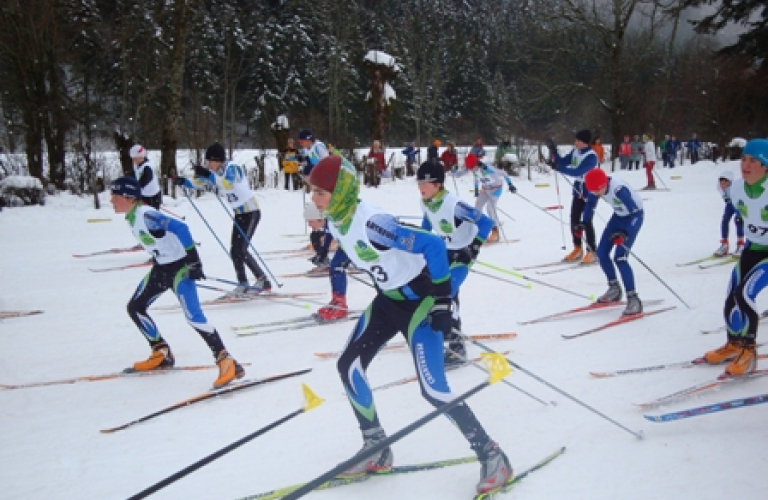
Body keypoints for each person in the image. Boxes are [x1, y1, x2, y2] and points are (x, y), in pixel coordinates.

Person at [307, 155, 512, 493]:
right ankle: (377, 449)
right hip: (389, 301)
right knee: (349, 366)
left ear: (340, 192)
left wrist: (444, 300)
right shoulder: (338, 219)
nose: (314, 200)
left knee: (433, 389)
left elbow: (431, 244)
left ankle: (493, 456)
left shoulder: (375, 224)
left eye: (320, 193)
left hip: (421, 303)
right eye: (312, 192)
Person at [108, 176, 244, 389]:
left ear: (129, 197)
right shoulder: (133, 216)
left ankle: (227, 360)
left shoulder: (146, 215)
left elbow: (181, 228)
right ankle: (161, 352)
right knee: (135, 307)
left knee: (194, 317)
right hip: (162, 269)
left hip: (180, 269)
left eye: (114, 196)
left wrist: (194, 260)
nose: (111, 201)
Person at [417, 160, 495, 368]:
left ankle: (457, 346)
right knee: (427, 287)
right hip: (444, 251)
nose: (420, 187)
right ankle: (439, 331)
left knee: (447, 292)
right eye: (418, 182)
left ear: (438, 184)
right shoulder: (426, 202)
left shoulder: (455, 205)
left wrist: (475, 247)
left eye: (425, 183)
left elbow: (487, 223)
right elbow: (427, 225)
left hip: (463, 253)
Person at [702, 139, 768, 377]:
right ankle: (734, 343)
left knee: (745, 293)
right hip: (753, 248)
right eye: (744, 159)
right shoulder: (737, 188)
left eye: (754, 161)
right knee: (732, 293)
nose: (746, 165)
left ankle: (749, 350)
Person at [176, 143, 271, 295]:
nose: (208, 164)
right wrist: (184, 181)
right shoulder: (216, 172)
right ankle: (243, 282)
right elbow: (200, 183)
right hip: (240, 214)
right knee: (234, 251)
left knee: (241, 249)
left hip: (251, 211)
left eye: (209, 161)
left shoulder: (232, 168)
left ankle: (263, 280)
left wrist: (209, 176)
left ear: (217, 160)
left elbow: (228, 183)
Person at [583, 168, 644, 316]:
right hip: (618, 217)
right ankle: (614, 289)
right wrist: (582, 223)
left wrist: (625, 233)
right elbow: (590, 205)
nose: (596, 194)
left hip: (633, 218)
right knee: (602, 253)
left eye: (597, 191)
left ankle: (633, 298)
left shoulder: (619, 190)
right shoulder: (596, 187)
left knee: (620, 257)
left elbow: (634, 212)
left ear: (603, 184)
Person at [546, 129, 598, 264]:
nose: (575, 143)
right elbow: (563, 162)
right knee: (574, 219)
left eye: (578, 141)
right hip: (578, 189)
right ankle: (577, 247)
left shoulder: (591, 156)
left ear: (584, 142)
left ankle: (592, 250)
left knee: (586, 221)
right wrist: (553, 151)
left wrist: (559, 167)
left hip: (590, 190)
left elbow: (578, 172)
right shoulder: (576, 151)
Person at [473, 160, 517, 243]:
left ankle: (495, 232)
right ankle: (479, 230)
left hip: (496, 189)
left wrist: (510, 185)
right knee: (477, 208)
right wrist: (476, 189)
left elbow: (504, 174)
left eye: (474, 167)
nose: (472, 169)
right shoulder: (475, 171)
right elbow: (476, 179)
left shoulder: (489, 169)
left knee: (490, 208)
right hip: (485, 190)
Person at [714, 171, 745, 257]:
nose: (722, 185)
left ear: (729, 182)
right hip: (730, 204)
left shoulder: (735, 187)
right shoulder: (719, 187)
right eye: (721, 183)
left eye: (725, 183)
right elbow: (725, 197)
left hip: (738, 204)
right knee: (724, 220)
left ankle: (741, 245)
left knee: (738, 221)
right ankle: (724, 245)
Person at [129, 144, 162, 209]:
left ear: (141, 157)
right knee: (143, 212)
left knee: (152, 215)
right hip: (144, 195)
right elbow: (134, 175)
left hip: (153, 195)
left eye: (135, 158)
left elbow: (147, 178)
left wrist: (137, 187)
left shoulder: (147, 166)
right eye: (132, 159)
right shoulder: (136, 165)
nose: (133, 161)